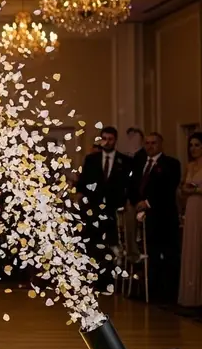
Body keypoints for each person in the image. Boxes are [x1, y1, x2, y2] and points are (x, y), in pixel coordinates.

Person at [76, 126, 132, 291]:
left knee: (112, 244)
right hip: (93, 209)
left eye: (110, 139)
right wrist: (81, 198)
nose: (107, 142)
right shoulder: (91, 160)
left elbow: (128, 185)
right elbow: (83, 182)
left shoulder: (125, 161)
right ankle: (95, 279)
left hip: (114, 210)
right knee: (93, 244)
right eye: (104, 138)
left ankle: (110, 280)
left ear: (115, 140)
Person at [128, 132, 182, 303]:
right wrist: (137, 201)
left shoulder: (171, 164)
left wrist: (148, 203)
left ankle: (167, 294)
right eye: (147, 143)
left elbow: (167, 188)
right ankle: (150, 291)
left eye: (154, 143)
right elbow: (132, 185)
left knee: (166, 255)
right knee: (150, 253)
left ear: (160, 144)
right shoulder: (139, 164)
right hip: (144, 217)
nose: (150, 146)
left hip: (163, 216)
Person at [178, 132, 202, 307]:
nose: (193, 148)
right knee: (191, 248)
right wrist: (185, 190)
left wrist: (195, 191)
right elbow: (182, 188)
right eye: (191, 145)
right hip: (191, 207)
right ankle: (190, 296)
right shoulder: (189, 165)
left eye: (197, 145)